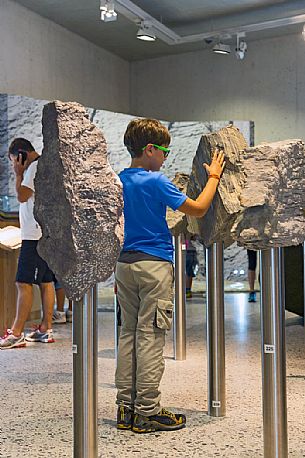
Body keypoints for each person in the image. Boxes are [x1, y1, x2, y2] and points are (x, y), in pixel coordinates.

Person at [115, 118, 225, 433]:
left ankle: (126, 408)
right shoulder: (156, 181)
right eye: (164, 150)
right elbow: (199, 208)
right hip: (154, 266)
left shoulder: (120, 179)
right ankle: (148, 410)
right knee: (150, 337)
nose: (165, 156)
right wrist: (214, 177)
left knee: (129, 335)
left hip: (125, 265)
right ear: (150, 149)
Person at [0, 138, 55, 349]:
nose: (15, 163)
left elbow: (22, 196)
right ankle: (45, 328)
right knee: (45, 281)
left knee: (23, 283)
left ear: (21, 155)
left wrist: (18, 173)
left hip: (34, 235)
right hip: (43, 233)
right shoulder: (44, 165)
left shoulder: (32, 169)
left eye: (15, 159)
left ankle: (16, 333)